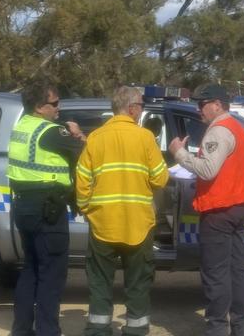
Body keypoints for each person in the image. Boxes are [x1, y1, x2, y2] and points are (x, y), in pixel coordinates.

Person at [76, 85, 169, 336]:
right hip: (138, 224)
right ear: (131, 108)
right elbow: (160, 179)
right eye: (140, 106)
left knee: (99, 282)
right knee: (138, 283)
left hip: (103, 223)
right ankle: (135, 330)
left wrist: (86, 208)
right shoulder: (145, 138)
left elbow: (82, 178)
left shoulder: (95, 138)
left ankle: (98, 329)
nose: (141, 110)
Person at [169, 84, 244, 336]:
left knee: (216, 273)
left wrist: (179, 153)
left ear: (217, 104)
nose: (198, 110)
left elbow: (207, 170)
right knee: (236, 270)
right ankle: (240, 326)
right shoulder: (237, 128)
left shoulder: (218, 131)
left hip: (219, 211)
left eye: (202, 104)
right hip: (238, 208)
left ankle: (217, 328)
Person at [8, 82, 85, 336]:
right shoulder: (51, 132)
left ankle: (21, 330)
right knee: (51, 274)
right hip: (47, 209)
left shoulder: (20, 127)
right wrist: (78, 133)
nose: (59, 108)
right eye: (55, 103)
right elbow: (88, 152)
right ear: (40, 107)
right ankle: (48, 331)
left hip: (24, 206)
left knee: (30, 269)